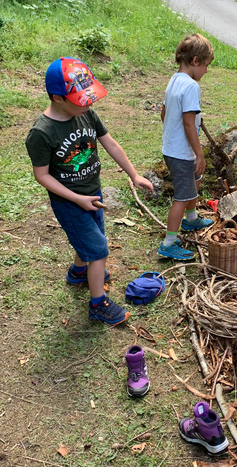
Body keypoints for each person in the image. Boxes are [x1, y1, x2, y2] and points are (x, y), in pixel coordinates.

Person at [25, 57, 154, 325]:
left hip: (93, 193)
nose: (89, 103)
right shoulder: (42, 132)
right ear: (58, 97)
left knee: (90, 241)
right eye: (81, 99)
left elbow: (111, 144)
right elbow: (42, 175)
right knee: (99, 250)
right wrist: (77, 199)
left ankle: (77, 273)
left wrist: (134, 174)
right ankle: (98, 305)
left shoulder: (86, 114)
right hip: (70, 202)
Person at [158, 33, 215, 261]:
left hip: (172, 148)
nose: (206, 72)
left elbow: (164, 113)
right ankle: (169, 243)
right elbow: (190, 123)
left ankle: (191, 219)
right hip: (181, 153)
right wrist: (199, 154)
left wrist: (172, 135)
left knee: (194, 182)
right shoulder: (191, 86)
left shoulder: (174, 79)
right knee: (181, 197)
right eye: (206, 66)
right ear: (195, 61)